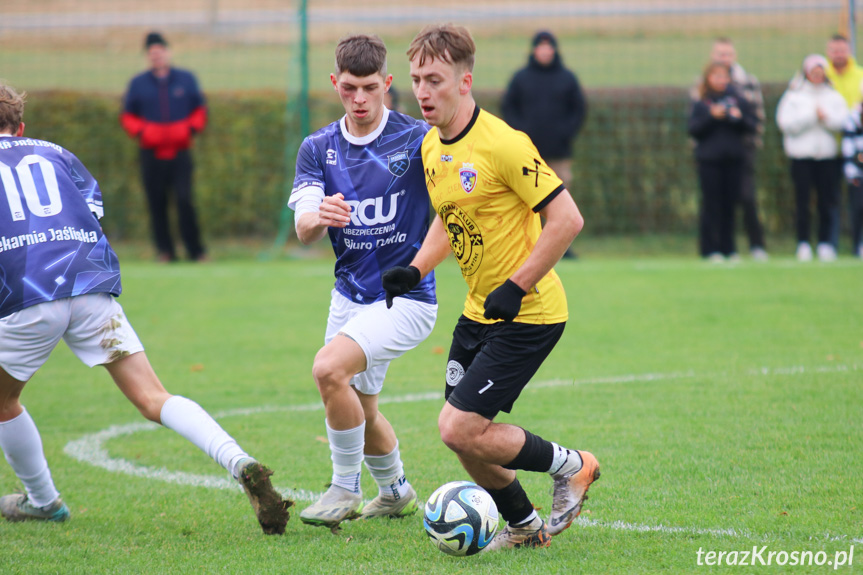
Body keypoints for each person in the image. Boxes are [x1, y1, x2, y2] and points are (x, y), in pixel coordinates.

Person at [0, 83, 291, 533]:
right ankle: (239, 461)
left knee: (4, 401)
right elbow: (92, 209)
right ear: (20, 127)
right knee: (154, 397)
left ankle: (43, 501)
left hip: (27, 295)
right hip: (89, 283)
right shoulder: (55, 152)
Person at [383, 24, 599, 551]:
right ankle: (525, 529)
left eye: (434, 79)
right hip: (479, 312)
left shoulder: (504, 143)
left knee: (458, 427)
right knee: (464, 438)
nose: (423, 92)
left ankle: (573, 466)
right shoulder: (433, 146)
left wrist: (518, 285)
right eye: (416, 80)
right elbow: (448, 216)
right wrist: (416, 268)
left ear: (465, 80)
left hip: (530, 313)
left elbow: (567, 220)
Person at [287, 35, 437, 529]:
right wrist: (319, 217)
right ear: (335, 83)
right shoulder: (318, 148)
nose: (359, 100)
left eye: (370, 88)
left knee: (329, 370)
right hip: (348, 298)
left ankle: (344, 487)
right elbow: (304, 228)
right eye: (349, 88)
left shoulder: (417, 139)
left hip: (406, 297)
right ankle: (395, 491)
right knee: (359, 406)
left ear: (387, 84)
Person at [120, 31, 207, 263]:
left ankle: (196, 250)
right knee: (156, 202)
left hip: (180, 152)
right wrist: (145, 132)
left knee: (184, 199)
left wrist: (187, 130)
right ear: (148, 56)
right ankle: (165, 251)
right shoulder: (138, 84)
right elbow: (128, 116)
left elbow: (200, 110)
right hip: (151, 154)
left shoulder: (186, 80)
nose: (156, 57)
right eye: (152, 54)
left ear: (167, 52)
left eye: (160, 52)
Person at [502, 30, 586, 259]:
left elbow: (578, 110)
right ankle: (530, 248)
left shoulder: (567, 78)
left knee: (560, 201)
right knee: (528, 202)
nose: (545, 51)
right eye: (541, 46)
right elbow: (508, 108)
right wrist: (521, 135)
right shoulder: (520, 79)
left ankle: (562, 248)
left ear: (555, 50)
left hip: (559, 153)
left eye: (549, 47)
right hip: (527, 155)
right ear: (534, 50)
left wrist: (564, 133)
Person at [691, 37, 768, 260]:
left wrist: (737, 118)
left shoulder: (739, 100)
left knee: (731, 206)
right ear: (708, 78)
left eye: (724, 76)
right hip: (709, 161)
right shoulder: (701, 103)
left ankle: (729, 248)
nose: (721, 80)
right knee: (711, 206)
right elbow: (693, 129)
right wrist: (710, 117)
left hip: (734, 159)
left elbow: (753, 125)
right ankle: (709, 249)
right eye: (716, 76)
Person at [776, 54, 848, 261]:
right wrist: (810, 117)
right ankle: (803, 243)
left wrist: (826, 118)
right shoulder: (794, 96)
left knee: (828, 201)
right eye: (813, 72)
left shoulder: (834, 96)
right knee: (802, 202)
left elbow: (844, 122)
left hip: (827, 158)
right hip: (802, 158)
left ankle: (826, 243)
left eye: (820, 72)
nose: (817, 76)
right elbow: (785, 124)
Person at [826, 34, 863, 253]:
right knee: (831, 199)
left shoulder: (860, 75)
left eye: (842, 50)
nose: (838, 54)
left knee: (858, 200)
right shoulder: (820, 73)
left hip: (856, 148)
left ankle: (858, 243)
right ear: (828, 51)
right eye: (834, 50)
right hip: (830, 147)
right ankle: (830, 244)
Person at [839, 81, 863, 258]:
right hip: (858, 173)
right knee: (858, 208)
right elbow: (849, 147)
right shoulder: (854, 117)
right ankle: (858, 245)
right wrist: (852, 171)